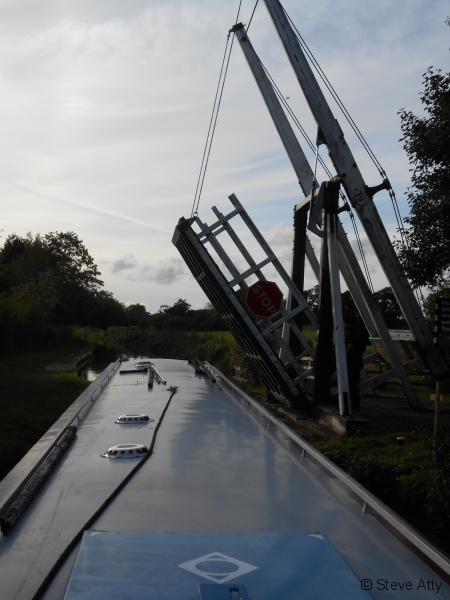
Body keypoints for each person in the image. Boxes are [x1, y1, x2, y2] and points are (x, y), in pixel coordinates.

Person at [344, 324, 366, 410]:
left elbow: (350, 346)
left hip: (351, 364)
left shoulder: (351, 340)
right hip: (356, 364)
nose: (344, 332)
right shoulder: (357, 339)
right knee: (354, 385)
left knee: (352, 385)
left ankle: (354, 405)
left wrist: (344, 355)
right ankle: (355, 405)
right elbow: (363, 348)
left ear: (349, 331)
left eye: (345, 331)